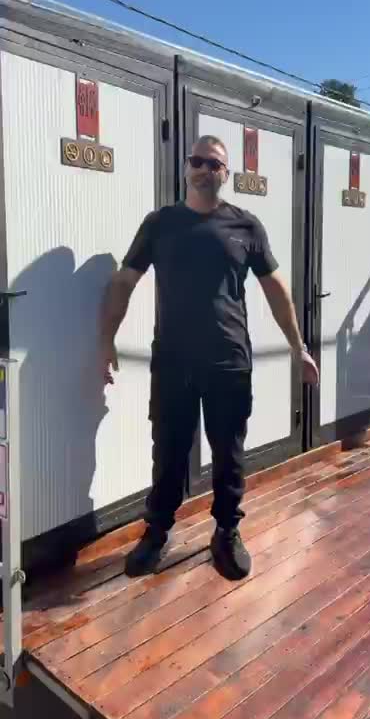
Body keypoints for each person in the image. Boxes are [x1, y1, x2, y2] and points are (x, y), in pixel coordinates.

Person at [100, 135, 319, 581]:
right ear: (186, 168)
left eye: (214, 164)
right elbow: (124, 282)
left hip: (228, 362)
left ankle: (226, 532)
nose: (204, 169)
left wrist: (298, 347)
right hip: (173, 363)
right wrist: (107, 340)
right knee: (168, 452)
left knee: (228, 454)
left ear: (226, 174)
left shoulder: (246, 226)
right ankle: (157, 532)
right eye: (197, 161)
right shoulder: (160, 224)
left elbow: (276, 290)